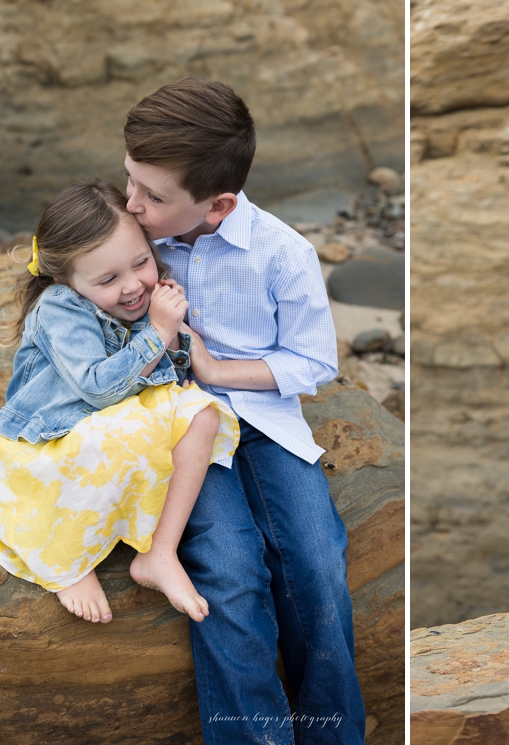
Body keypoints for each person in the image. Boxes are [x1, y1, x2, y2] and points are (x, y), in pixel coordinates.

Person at [123, 77, 365, 743]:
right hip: (181, 431)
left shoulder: (283, 253)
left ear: (219, 202)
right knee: (229, 573)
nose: (132, 203)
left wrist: (215, 367)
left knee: (318, 563)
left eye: (152, 195)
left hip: (263, 420)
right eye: (129, 181)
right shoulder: (131, 237)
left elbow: (313, 363)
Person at [0, 177, 239, 624]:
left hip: (105, 426)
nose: (132, 286)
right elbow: (98, 387)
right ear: (64, 278)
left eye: (141, 262)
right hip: (53, 443)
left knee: (202, 414)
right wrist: (158, 332)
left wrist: (175, 338)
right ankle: (67, 562)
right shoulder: (59, 307)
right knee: (113, 444)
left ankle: (159, 553)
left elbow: (166, 375)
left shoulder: (147, 296)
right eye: (107, 279)